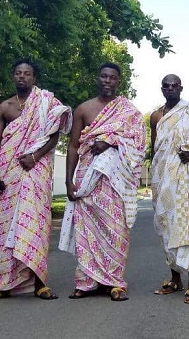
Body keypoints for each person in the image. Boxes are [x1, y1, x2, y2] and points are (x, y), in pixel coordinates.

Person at [0, 58, 72, 302]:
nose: (22, 77)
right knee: (6, 227)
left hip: (36, 170)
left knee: (36, 225)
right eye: (18, 73)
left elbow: (54, 135)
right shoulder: (5, 107)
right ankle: (4, 283)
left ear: (34, 78)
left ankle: (40, 283)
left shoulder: (46, 103)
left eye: (27, 73)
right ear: (13, 76)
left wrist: (36, 156)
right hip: (8, 172)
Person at [58, 62, 146, 302]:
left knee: (116, 229)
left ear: (119, 81)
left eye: (113, 77)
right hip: (87, 177)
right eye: (104, 76)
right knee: (87, 230)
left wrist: (110, 141)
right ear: (97, 78)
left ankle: (115, 282)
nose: (107, 80)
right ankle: (86, 282)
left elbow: (139, 144)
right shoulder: (83, 109)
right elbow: (74, 145)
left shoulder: (129, 112)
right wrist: (68, 180)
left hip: (115, 180)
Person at [150, 74, 189, 305]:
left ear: (181, 88)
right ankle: (174, 278)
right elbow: (155, 148)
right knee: (166, 226)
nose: (170, 88)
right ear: (161, 88)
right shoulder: (156, 116)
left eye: (174, 85)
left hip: (184, 176)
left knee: (188, 225)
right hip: (161, 178)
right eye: (166, 85)